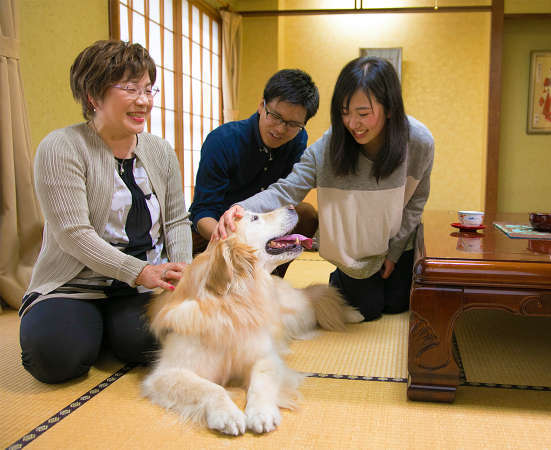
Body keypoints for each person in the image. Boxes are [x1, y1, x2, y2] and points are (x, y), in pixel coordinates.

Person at [19, 40, 192, 384]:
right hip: (74, 283)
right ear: (93, 96)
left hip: (139, 289)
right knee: (55, 360)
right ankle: (85, 330)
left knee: (164, 345)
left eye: (148, 89)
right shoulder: (61, 147)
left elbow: (176, 220)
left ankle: (108, 332)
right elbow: (73, 234)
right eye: (130, 89)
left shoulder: (158, 150)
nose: (144, 100)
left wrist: (182, 271)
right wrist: (138, 270)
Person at [215, 56, 434, 321]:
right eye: (344, 112)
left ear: (389, 108)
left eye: (363, 113)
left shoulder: (419, 142)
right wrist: (240, 209)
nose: (352, 124)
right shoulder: (330, 146)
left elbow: (415, 203)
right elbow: (287, 190)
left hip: (396, 236)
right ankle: (341, 276)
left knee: (398, 304)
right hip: (355, 245)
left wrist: (395, 252)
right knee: (368, 311)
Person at [188, 69, 320, 273]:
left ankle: (271, 277)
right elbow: (203, 211)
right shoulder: (222, 141)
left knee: (306, 214)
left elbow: (286, 197)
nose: (280, 129)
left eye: (293, 124)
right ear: (261, 105)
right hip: (217, 231)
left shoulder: (298, 140)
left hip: (262, 229)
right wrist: (231, 243)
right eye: (275, 116)